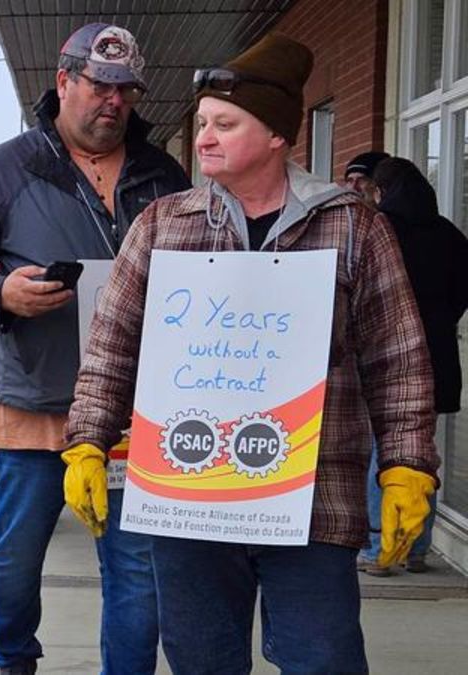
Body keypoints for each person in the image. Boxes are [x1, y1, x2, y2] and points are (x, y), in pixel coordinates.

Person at [63, 34, 440, 673]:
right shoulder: (164, 223)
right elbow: (112, 344)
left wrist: (406, 466)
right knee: (201, 661)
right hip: (190, 497)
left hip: (314, 498)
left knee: (324, 660)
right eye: (203, 122)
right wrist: (87, 441)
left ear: (275, 136)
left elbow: (398, 358)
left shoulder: (352, 226)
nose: (204, 137)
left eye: (224, 124)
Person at [0, 23, 189, 674]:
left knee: (136, 567)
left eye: (126, 89)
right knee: (16, 557)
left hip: (136, 411)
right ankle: (15, 659)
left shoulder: (164, 174)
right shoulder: (4, 170)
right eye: (100, 85)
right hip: (37, 403)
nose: (114, 100)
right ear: (64, 81)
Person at [357, 157, 468, 575]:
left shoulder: (379, 232)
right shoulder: (449, 235)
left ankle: (378, 548)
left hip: (385, 359)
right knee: (421, 456)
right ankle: (417, 546)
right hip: (437, 358)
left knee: (382, 454)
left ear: (382, 191)